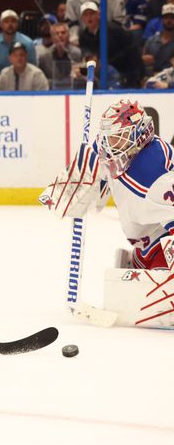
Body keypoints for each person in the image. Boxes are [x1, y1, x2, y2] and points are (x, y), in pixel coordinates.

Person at [39, 99, 173, 328]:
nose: (108, 145)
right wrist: (77, 182)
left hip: (162, 242)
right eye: (108, 137)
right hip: (146, 245)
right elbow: (67, 194)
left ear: (139, 135)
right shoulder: (119, 151)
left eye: (116, 138)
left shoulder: (155, 173)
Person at [0, 9, 37, 78]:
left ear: (18, 24)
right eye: (6, 21)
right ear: (1, 24)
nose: (10, 24)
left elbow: (33, 68)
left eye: (13, 21)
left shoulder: (28, 43)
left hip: (23, 83)